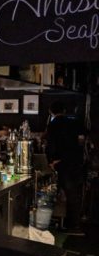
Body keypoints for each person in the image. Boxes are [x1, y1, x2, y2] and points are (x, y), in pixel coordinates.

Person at [44, 101, 84, 235]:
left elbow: (51, 145)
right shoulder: (74, 123)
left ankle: (69, 225)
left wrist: (51, 160)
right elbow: (81, 141)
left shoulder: (53, 124)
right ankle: (73, 224)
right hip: (76, 162)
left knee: (60, 192)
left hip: (62, 163)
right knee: (73, 193)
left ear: (51, 111)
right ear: (65, 110)